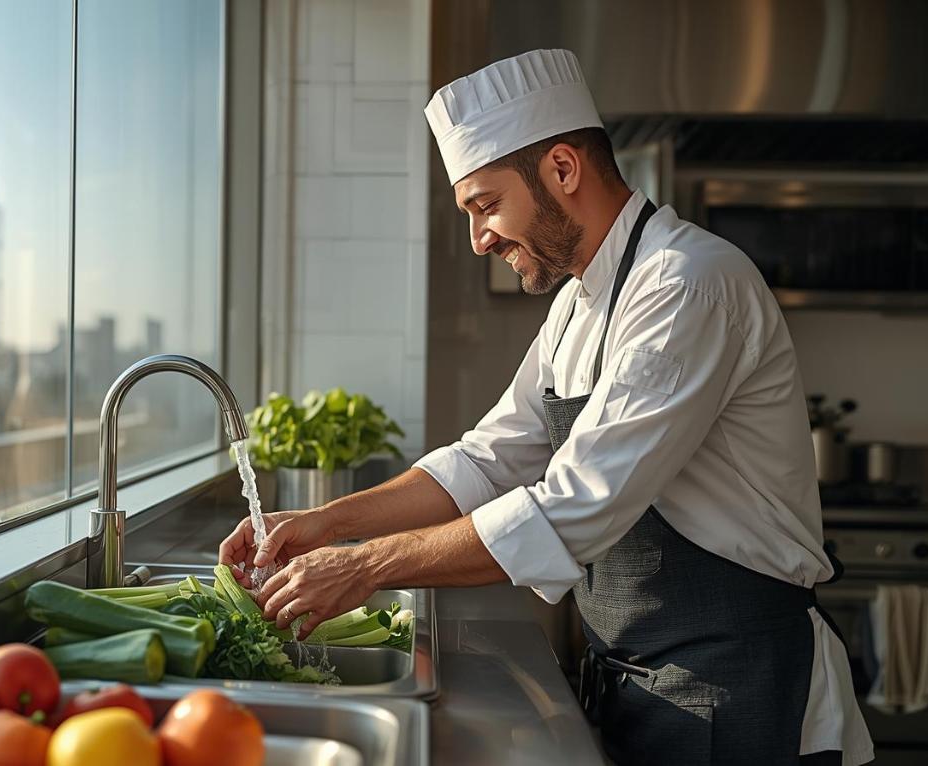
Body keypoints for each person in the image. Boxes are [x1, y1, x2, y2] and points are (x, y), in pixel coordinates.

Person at [219, 49, 873, 765]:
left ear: (562, 170)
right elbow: (486, 459)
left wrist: (365, 566)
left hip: (734, 689)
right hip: (645, 680)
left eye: (486, 204)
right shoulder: (576, 304)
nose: (478, 239)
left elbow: (575, 504)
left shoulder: (686, 283)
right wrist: (322, 524)